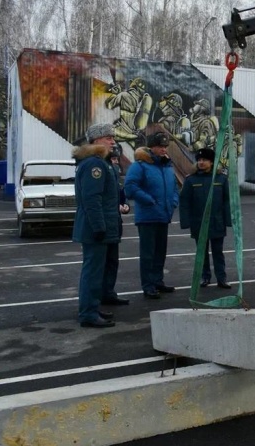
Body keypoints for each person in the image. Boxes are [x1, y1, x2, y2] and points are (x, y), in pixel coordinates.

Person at [72, 123, 123, 328]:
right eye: (108, 137)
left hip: (103, 226)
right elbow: (92, 200)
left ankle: (92, 307)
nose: (113, 141)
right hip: (96, 228)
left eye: (113, 137)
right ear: (95, 140)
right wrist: (99, 227)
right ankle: (88, 314)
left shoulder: (101, 162)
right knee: (92, 272)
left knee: (98, 271)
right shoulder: (95, 165)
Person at [124, 131, 179, 299]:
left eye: (165, 147)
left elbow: (174, 187)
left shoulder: (167, 166)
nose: (163, 150)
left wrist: (174, 201)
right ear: (151, 147)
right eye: (159, 147)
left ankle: (157, 281)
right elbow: (130, 187)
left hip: (163, 215)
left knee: (160, 251)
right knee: (148, 253)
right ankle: (148, 285)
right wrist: (149, 200)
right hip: (148, 216)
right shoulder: (139, 166)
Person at [179, 148, 232, 288]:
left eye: (205, 160)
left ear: (212, 162)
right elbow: (184, 201)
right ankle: (205, 277)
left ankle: (222, 278)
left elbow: (227, 200)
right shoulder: (191, 180)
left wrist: (228, 220)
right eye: (199, 160)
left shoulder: (221, 179)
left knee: (218, 252)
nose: (201, 163)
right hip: (199, 222)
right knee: (201, 252)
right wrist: (185, 222)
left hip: (217, 222)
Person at [101, 144, 131, 306]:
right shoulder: (102, 173)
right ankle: (98, 296)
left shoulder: (116, 177)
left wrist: (125, 204)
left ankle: (109, 292)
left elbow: (121, 195)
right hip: (105, 225)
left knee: (113, 261)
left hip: (114, 223)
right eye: (112, 159)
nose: (115, 162)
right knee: (101, 264)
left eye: (116, 159)